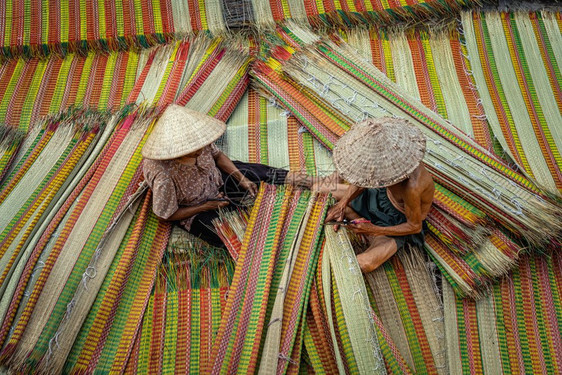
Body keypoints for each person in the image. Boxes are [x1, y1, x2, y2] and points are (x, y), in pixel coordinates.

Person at [142, 104, 296, 248]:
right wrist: (205, 206)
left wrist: (241, 179)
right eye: (196, 150)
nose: (202, 149)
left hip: (216, 179)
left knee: (257, 174)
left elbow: (217, 156)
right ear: (178, 153)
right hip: (195, 207)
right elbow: (166, 215)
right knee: (230, 236)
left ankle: (307, 181)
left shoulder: (199, 141)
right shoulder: (164, 175)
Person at [318, 117, 434, 273]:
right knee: (320, 189)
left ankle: (368, 231)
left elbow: (414, 226)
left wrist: (373, 229)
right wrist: (342, 203)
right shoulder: (382, 163)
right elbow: (366, 176)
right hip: (379, 196)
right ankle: (351, 214)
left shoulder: (412, 187)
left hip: (397, 221)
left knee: (363, 264)